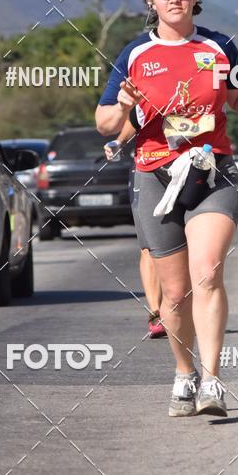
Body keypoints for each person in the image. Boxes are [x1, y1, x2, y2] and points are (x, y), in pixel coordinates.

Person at [96, 0, 238, 417]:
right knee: (174, 294)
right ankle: (184, 373)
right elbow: (104, 122)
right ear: (151, 2)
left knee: (208, 271)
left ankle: (213, 382)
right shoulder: (135, 54)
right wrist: (126, 105)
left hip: (211, 171)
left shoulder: (219, 45)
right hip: (154, 173)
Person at [103, 115, 166, 339]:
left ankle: (180, 308)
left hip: (191, 162)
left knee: (186, 243)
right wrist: (120, 140)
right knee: (149, 246)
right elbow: (106, 123)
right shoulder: (139, 81)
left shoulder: (202, 80)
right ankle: (156, 313)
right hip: (148, 165)